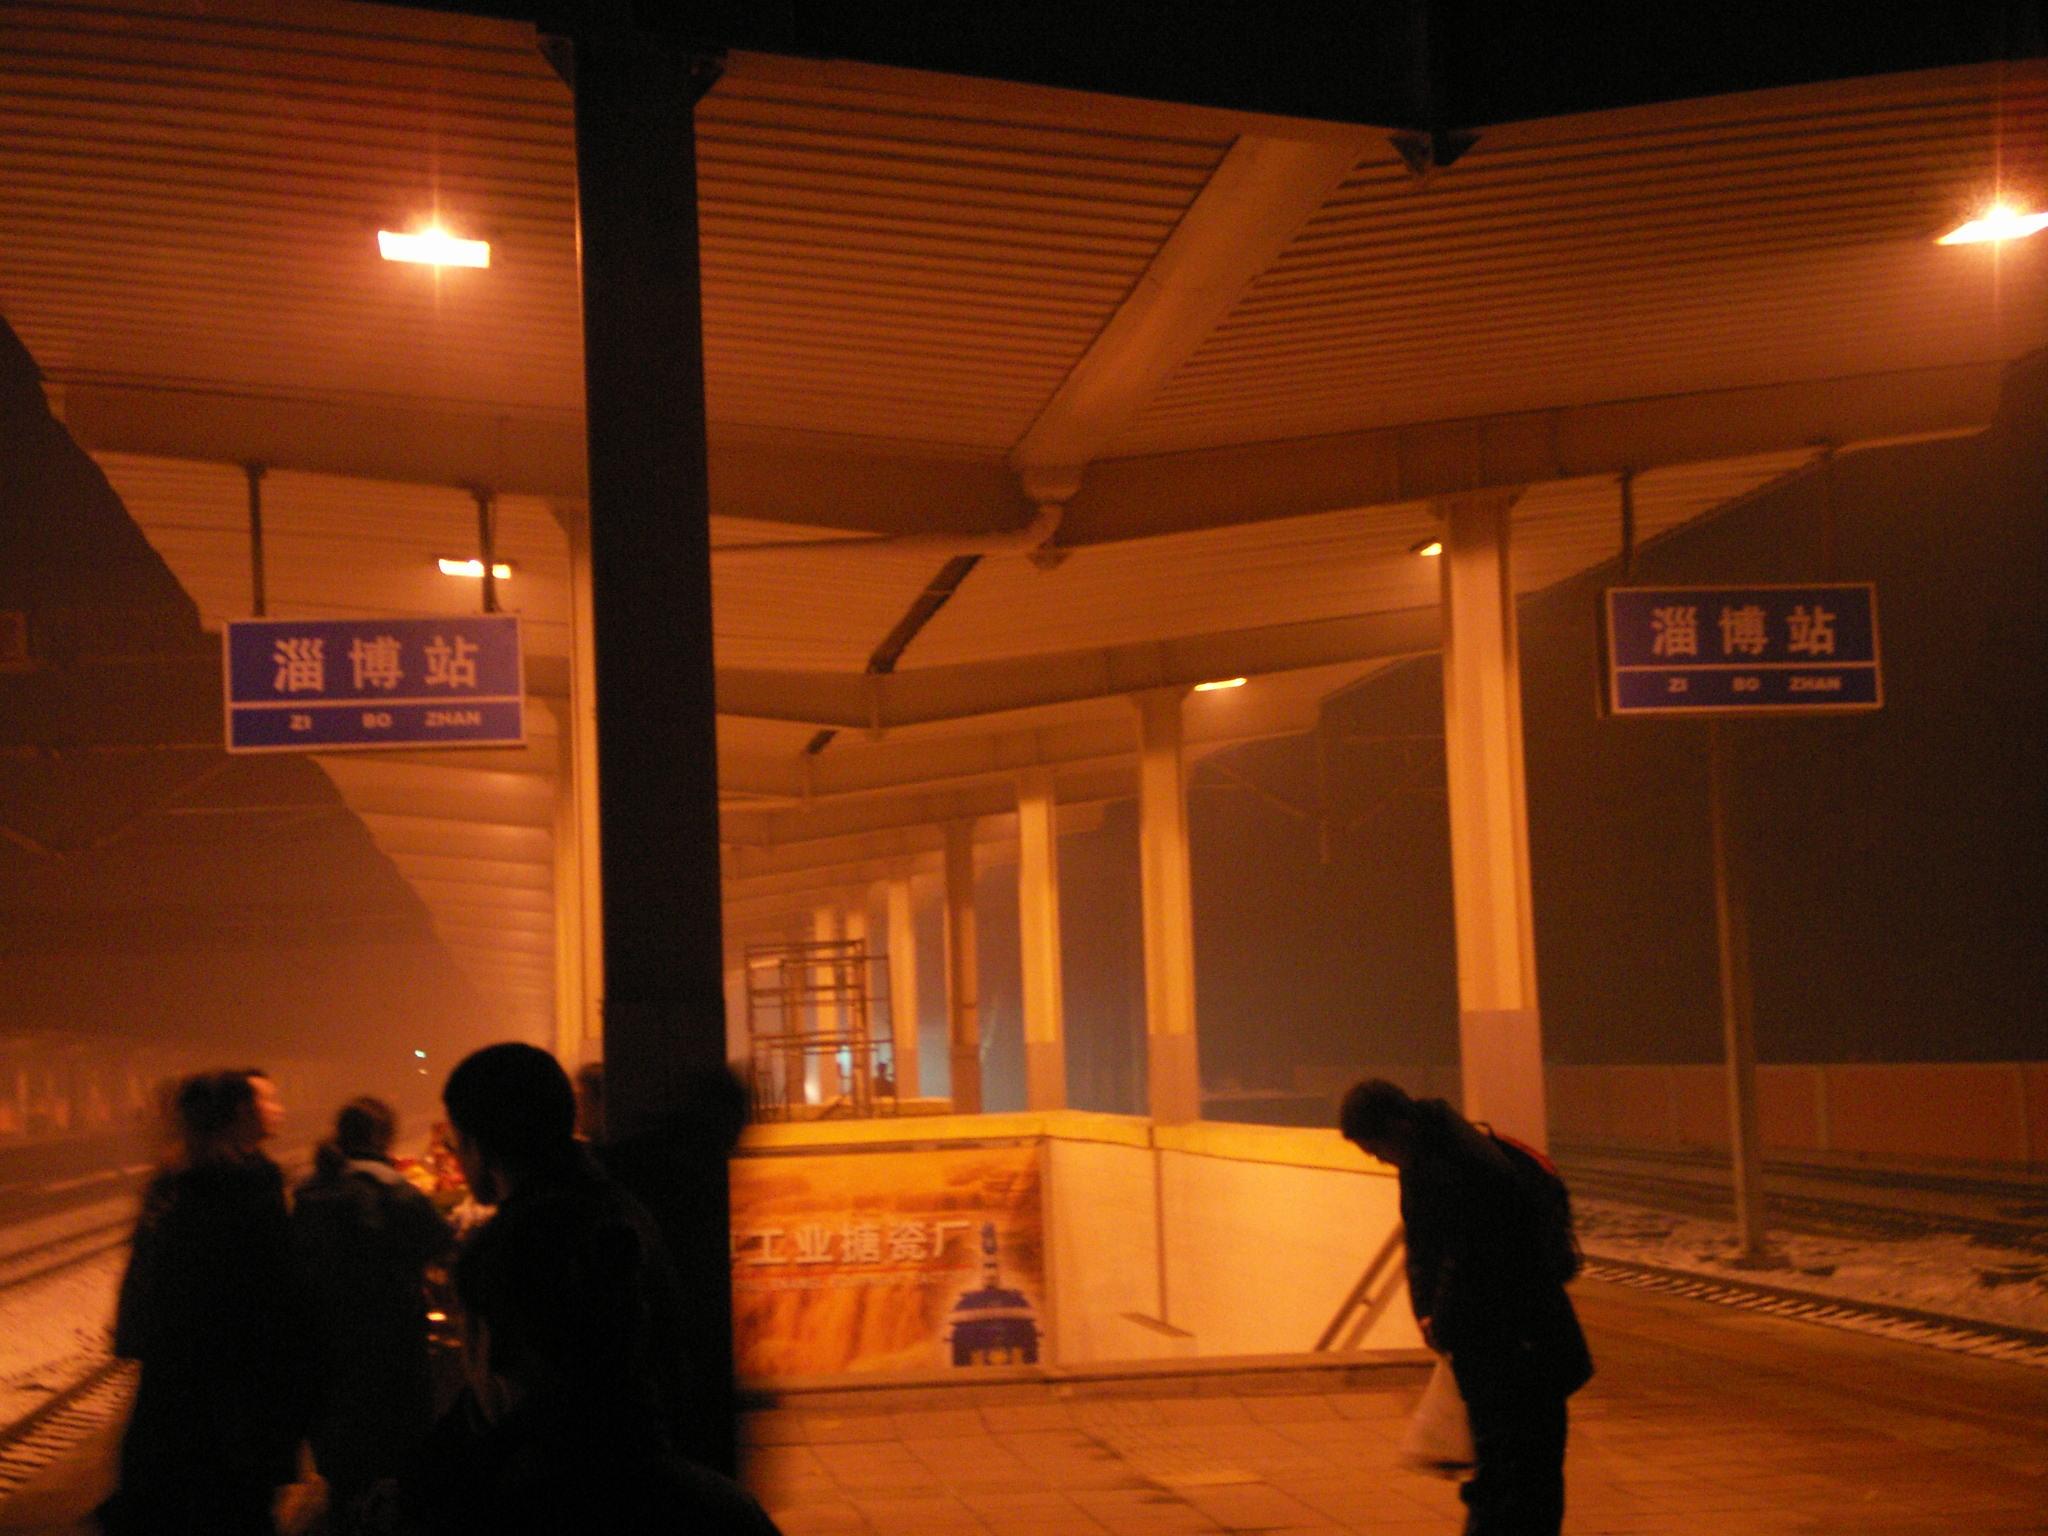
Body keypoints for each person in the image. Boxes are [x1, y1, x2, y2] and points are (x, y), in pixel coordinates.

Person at [395, 1044, 707, 1528]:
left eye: (458, 1141)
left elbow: (521, 1403)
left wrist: (435, 1483)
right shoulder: (621, 1208)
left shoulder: (521, 1243)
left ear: (480, 1145)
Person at [1339, 1079, 1592, 1536]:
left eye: (1376, 1148)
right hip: (1504, 1340)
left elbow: (1468, 1256)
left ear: (1398, 1126)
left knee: (1515, 1472)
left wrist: (1440, 1318)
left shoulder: (1461, 1166)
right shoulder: (1428, 1156)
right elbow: (1423, 1248)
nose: (1377, 1158)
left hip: (1517, 1341)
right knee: (1515, 1470)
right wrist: (1426, 1311)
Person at [102, 1070, 312, 1536]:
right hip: (237, 1391)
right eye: (264, 1101)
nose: (276, 1109)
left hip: (172, 1385)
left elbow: (145, 1274)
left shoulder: (171, 1183)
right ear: (239, 1114)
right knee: (237, 1507)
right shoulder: (249, 1184)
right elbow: (275, 1291)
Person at [292, 1097, 454, 1533]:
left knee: (344, 1469)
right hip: (391, 1346)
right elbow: (440, 1243)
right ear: (384, 1138)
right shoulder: (394, 1190)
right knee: (397, 1462)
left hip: (326, 1350)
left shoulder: (309, 1190)